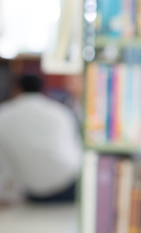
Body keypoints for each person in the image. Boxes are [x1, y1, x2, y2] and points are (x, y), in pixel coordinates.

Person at [0, 74, 82, 203]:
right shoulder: (59, 111)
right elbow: (75, 148)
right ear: (42, 88)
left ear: (17, 89)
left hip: (33, 191)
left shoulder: (3, 114)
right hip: (69, 185)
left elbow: (4, 162)